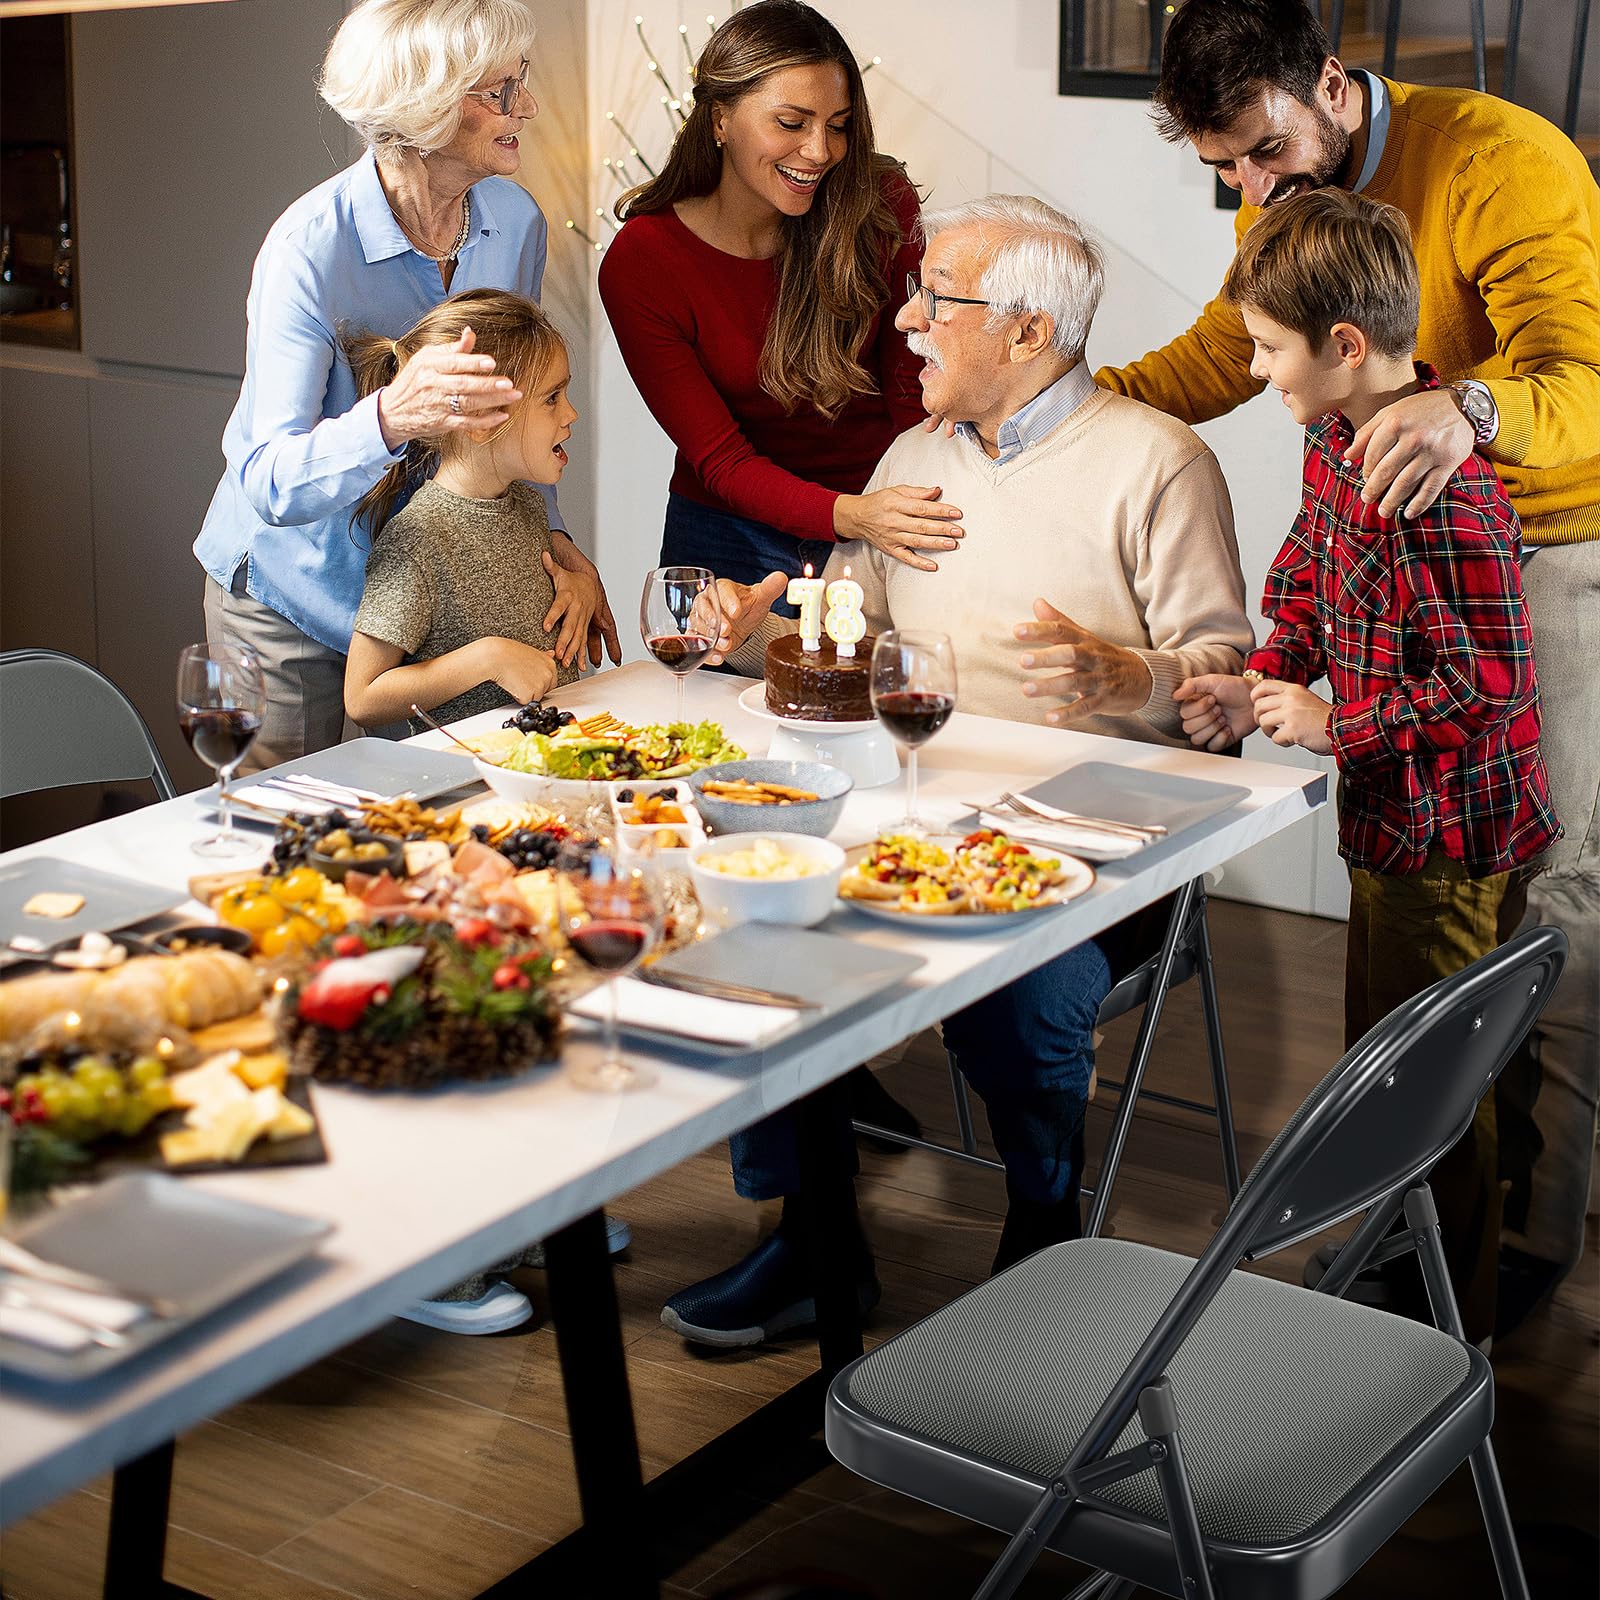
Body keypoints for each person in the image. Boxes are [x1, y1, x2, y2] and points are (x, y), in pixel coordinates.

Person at [662, 196, 1253, 1348]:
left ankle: (1043, 1216)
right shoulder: (911, 457)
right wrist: (743, 633)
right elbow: (844, 635)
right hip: (916, 808)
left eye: (940, 298)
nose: (907, 316)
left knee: (1017, 984)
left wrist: (1125, 675)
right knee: (756, 923)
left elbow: (1220, 684)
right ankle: (813, 1232)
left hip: (1107, 845)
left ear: (1029, 332)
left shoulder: (1157, 462)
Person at [1099, 0, 1599, 1330]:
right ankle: (1415, 1227)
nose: (1252, 192)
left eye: (1263, 150)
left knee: (1545, 911)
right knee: (1407, 997)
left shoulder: (1502, 157)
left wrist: (1468, 407)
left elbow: (1582, 370)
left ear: (1329, 81)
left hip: (1550, 531)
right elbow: (1232, 363)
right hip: (1402, 637)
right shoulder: (1314, 309)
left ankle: (1507, 1261)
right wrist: (1061, 408)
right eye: (1228, 175)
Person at [1174, 190, 1561, 1344]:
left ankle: (1451, 1328)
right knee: (1386, 1058)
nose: (1253, 368)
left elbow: (1489, 686)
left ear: (1344, 348)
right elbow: (1303, 571)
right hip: (1390, 826)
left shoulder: (1448, 494)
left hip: (1450, 839)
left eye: (1266, 349)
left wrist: (1336, 722)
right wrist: (1267, 673)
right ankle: (1407, 1246)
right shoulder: (1332, 440)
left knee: (1431, 1082)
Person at [194, 0, 617, 772]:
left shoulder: (515, 223)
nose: (524, 106)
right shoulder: (309, 252)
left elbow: (510, 415)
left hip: (420, 589)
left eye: (519, 82)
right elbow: (267, 480)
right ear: (423, 109)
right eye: (497, 93)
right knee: (285, 839)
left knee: (424, 827)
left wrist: (551, 538)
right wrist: (391, 415)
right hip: (295, 597)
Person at [598, 0, 965, 604]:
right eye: (791, 123)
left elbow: (912, 389)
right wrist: (849, 514)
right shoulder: (643, 262)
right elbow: (718, 458)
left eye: (839, 124)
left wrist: (905, 501)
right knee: (702, 698)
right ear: (719, 120)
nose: (820, 151)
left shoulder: (878, 205)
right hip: (726, 538)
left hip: (880, 516)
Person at [343, 290, 579, 734]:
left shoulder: (526, 507)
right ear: (478, 420)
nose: (571, 413)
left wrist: (579, 588)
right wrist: (487, 658)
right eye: (552, 398)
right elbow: (362, 696)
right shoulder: (419, 537)